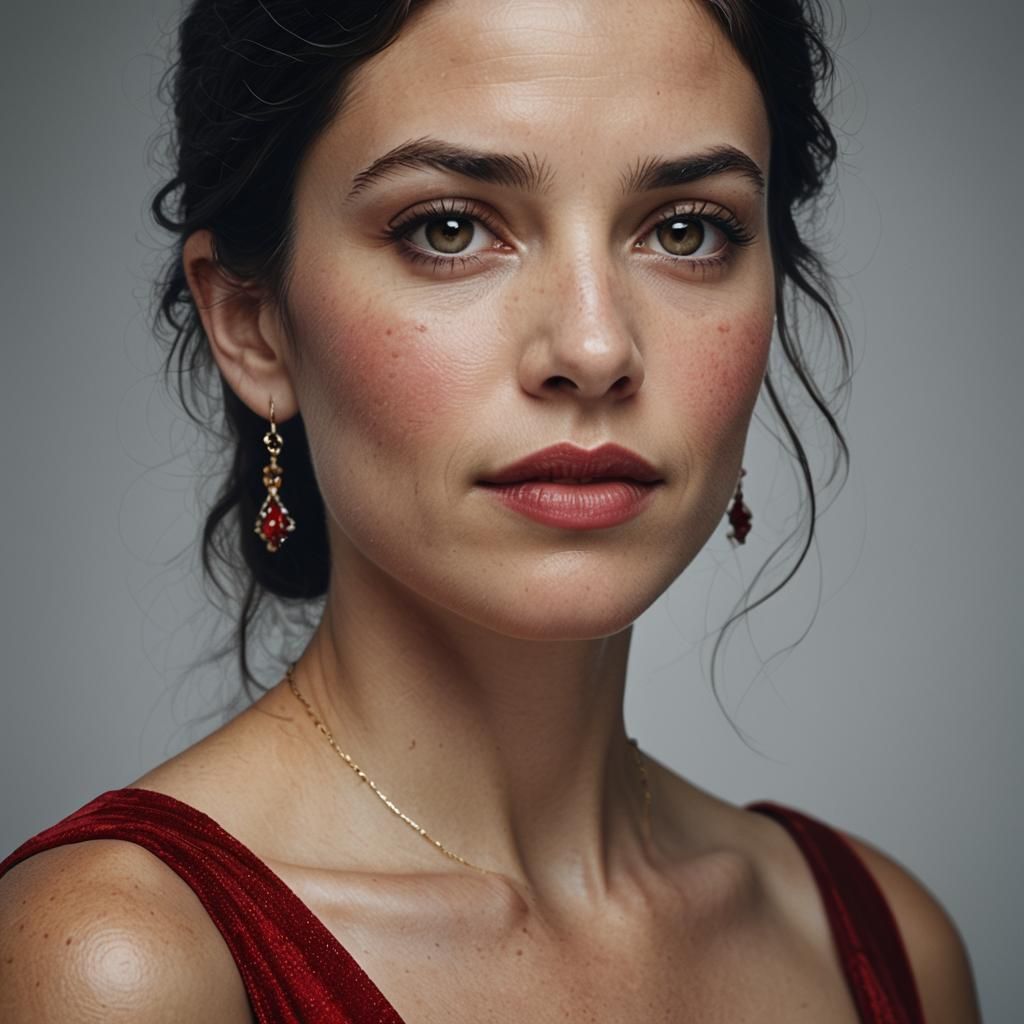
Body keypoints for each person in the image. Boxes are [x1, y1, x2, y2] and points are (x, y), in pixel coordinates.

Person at [0, 1, 982, 1021]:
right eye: (451, 228)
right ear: (251, 323)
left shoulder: (888, 949)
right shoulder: (120, 967)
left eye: (684, 230)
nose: (595, 348)